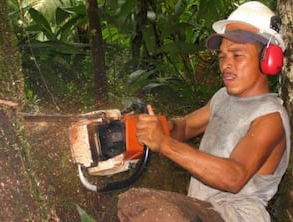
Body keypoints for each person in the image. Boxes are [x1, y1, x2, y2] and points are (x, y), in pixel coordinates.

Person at [117, 1, 291, 222]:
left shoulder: (270, 117)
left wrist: (165, 143)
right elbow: (187, 126)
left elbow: (234, 176)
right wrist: (161, 127)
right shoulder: (223, 98)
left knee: (159, 212)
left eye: (237, 55)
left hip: (236, 215)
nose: (226, 64)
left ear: (268, 59)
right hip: (203, 209)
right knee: (132, 201)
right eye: (222, 56)